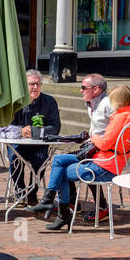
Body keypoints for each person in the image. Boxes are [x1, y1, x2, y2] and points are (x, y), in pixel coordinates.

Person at [35, 85, 130, 231]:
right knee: (59, 160)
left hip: (104, 166)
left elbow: (104, 144)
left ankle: (61, 212)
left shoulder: (120, 118)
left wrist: (94, 137)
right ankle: (49, 200)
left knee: (60, 172)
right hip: (108, 160)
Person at [29, 73, 109, 217]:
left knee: (64, 165)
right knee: (62, 160)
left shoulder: (107, 105)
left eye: (84, 87)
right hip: (93, 149)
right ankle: (69, 202)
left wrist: (100, 141)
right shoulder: (92, 104)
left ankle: (65, 204)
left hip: (103, 154)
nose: (80, 90)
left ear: (96, 89)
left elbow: (118, 127)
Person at [8, 70, 61, 207]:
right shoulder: (15, 102)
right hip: (18, 143)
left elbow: (55, 127)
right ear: (24, 86)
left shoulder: (49, 102)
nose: (35, 88)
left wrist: (34, 132)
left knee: (41, 160)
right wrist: (20, 131)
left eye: (37, 84)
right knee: (15, 159)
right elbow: (5, 126)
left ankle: (32, 191)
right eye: (31, 84)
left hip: (39, 144)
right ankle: (20, 191)